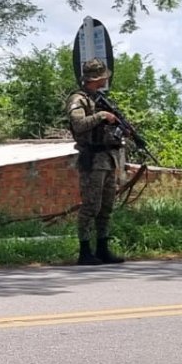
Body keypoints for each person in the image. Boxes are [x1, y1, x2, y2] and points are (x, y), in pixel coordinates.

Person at [65, 58, 126, 266]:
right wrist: (101, 116)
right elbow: (79, 124)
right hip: (91, 160)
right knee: (91, 206)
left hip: (107, 159)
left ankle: (102, 248)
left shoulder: (99, 99)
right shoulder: (78, 99)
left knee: (106, 207)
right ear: (94, 78)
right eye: (102, 76)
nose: (105, 80)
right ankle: (85, 251)